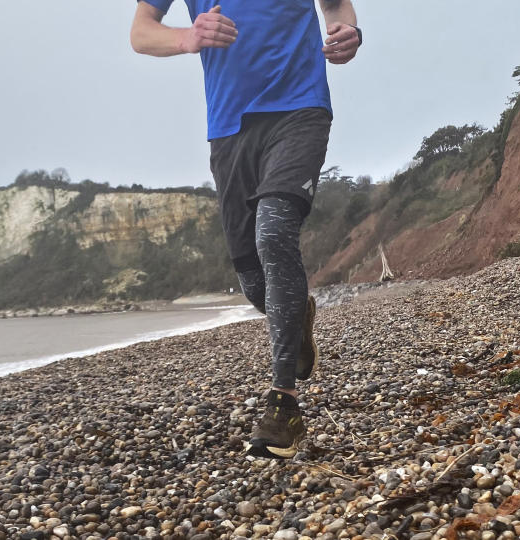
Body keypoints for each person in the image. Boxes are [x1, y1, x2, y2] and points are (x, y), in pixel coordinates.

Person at [131, 0, 361, 459]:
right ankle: (298, 320)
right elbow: (141, 32)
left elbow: (336, 7)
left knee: (273, 235)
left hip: (300, 109)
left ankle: (283, 406)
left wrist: (348, 34)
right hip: (229, 127)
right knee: (254, 283)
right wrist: (186, 38)